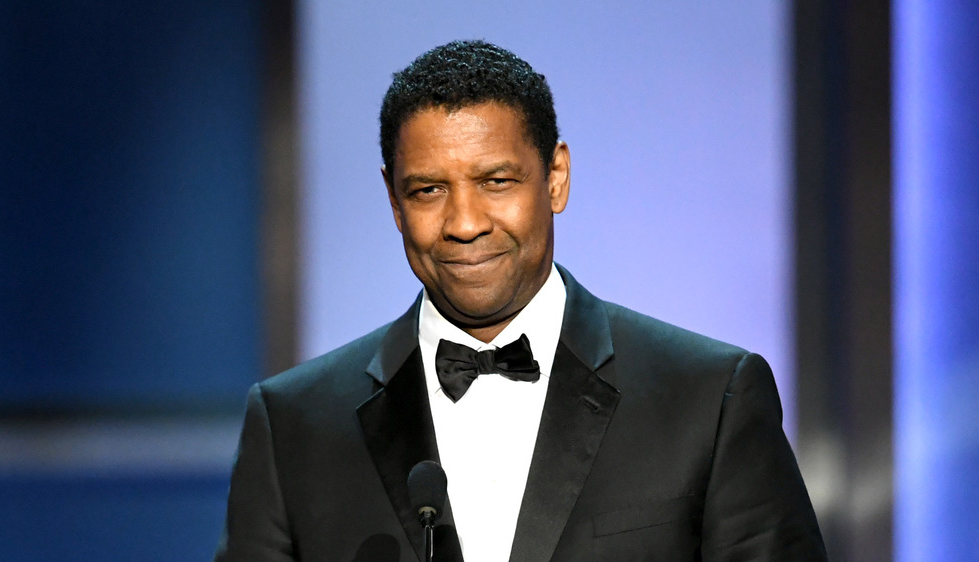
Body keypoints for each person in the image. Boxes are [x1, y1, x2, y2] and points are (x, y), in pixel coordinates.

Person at [214, 40, 826, 561]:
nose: (464, 222)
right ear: (394, 202)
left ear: (555, 178)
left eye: (496, 182)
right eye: (428, 190)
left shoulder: (709, 398)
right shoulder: (293, 425)